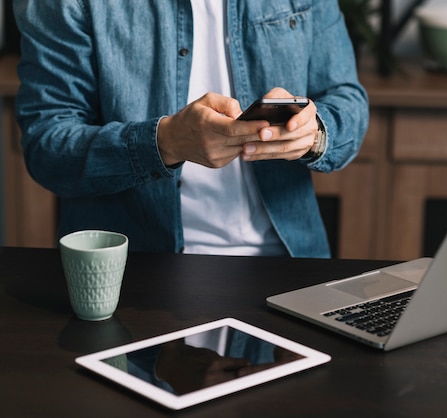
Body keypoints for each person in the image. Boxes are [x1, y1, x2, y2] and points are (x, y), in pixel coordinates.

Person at [13, 1, 369, 258]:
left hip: (289, 265)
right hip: (137, 276)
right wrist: (163, 143)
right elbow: (47, 146)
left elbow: (347, 99)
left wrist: (314, 131)